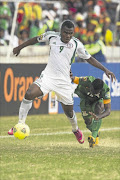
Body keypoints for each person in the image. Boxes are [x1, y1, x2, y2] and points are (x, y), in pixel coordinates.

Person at [8, 20, 115, 145]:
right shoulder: (51, 36)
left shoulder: (76, 44)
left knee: (69, 112)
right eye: (65, 33)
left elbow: (90, 59)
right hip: (48, 76)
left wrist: (105, 69)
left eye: (70, 33)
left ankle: (75, 130)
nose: (68, 36)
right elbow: (36, 39)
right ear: (61, 31)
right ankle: (20, 123)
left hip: (64, 82)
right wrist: (20, 47)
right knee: (29, 93)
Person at [71, 75, 111, 148]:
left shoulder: (105, 90)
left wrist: (99, 116)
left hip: (96, 101)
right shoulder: (88, 80)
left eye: (95, 92)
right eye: (92, 90)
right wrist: (68, 76)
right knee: (87, 122)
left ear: (100, 90)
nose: (93, 92)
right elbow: (75, 79)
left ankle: (93, 137)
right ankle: (96, 131)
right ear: (91, 85)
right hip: (85, 99)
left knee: (99, 108)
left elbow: (108, 110)